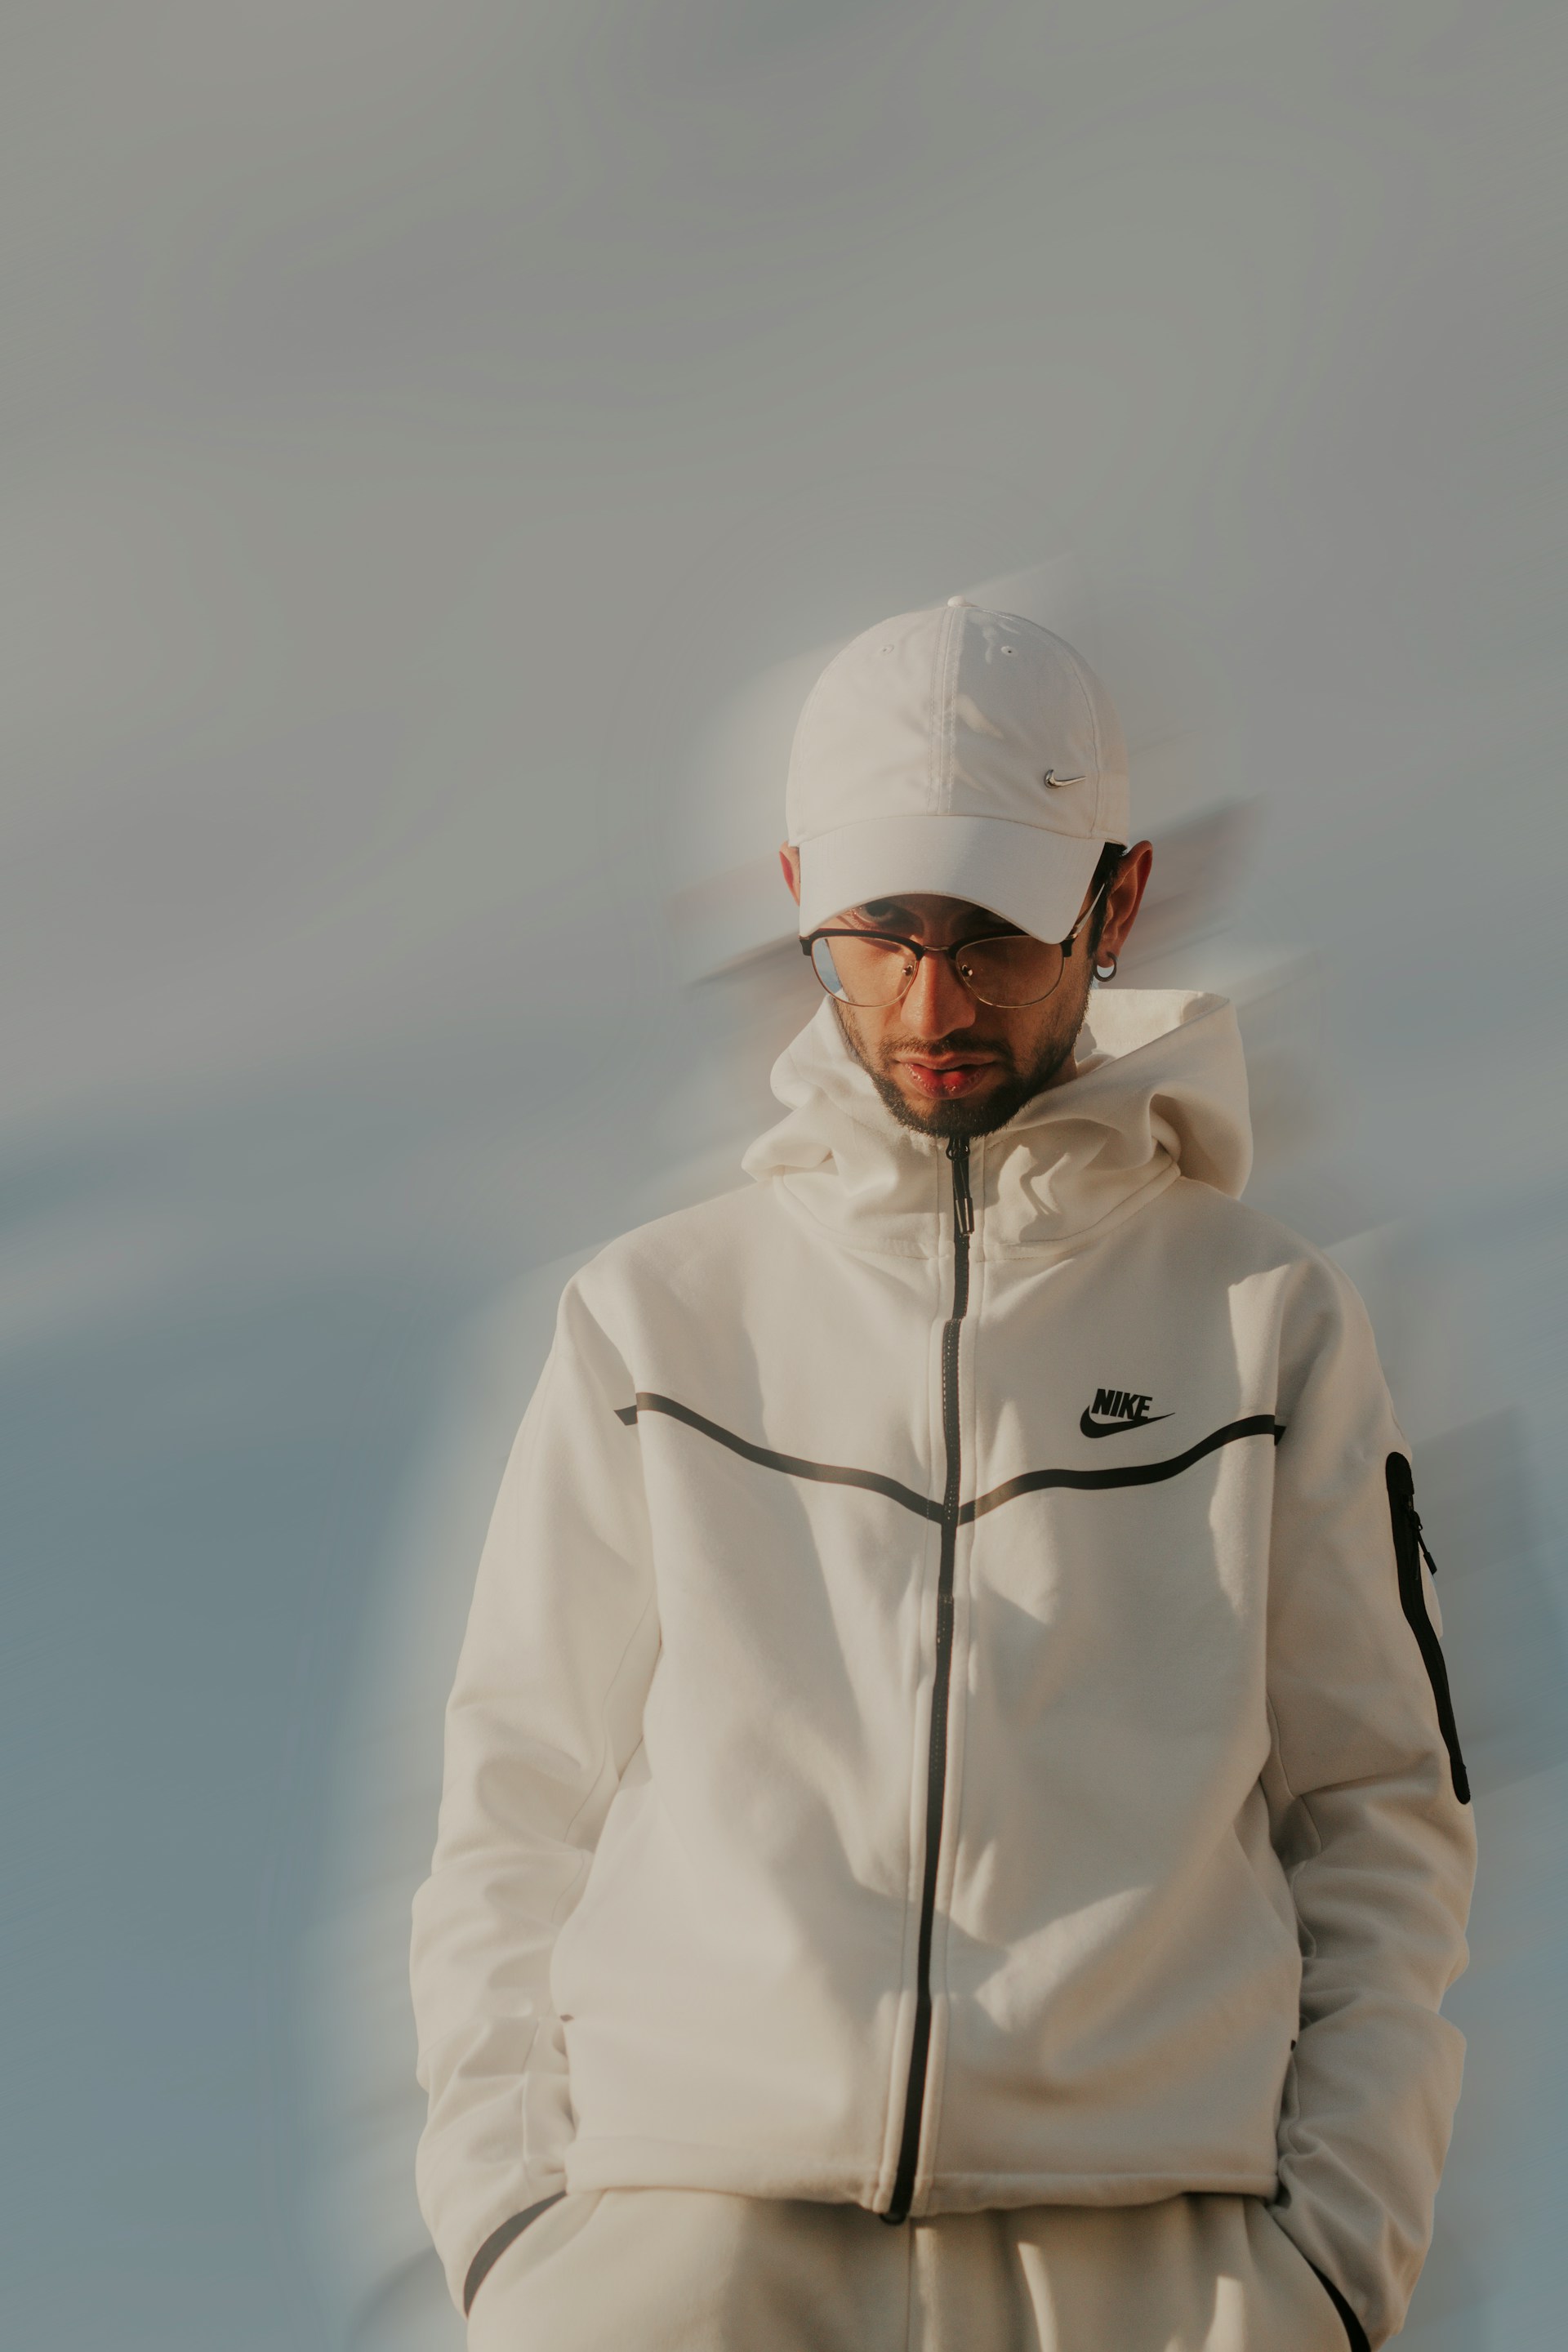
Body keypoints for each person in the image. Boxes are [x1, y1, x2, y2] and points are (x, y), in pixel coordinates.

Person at [410, 599, 1476, 2350]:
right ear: (795, 894)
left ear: (1115, 902)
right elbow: (511, 1817)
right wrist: (528, 2248)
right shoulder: (652, 1326)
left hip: (1156, 2273)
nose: (930, 1000)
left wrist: (1330, 2270)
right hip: (686, 2263)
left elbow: (1380, 1817)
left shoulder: (1269, 1325)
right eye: (875, 934)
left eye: (993, 932)